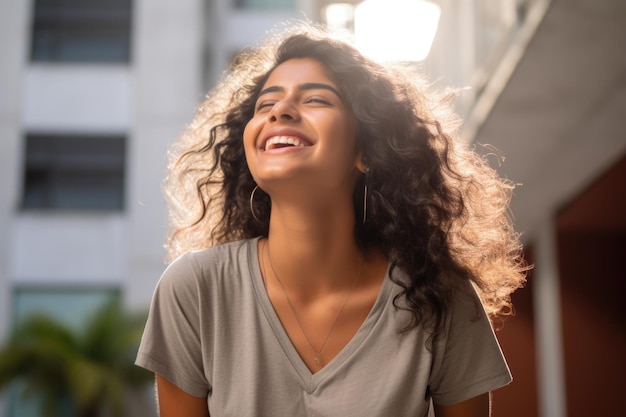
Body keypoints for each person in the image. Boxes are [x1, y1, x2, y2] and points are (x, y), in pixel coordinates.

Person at [135, 21, 528, 417]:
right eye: (265, 105)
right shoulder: (194, 290)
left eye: (316, 100)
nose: (280, 111)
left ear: (368, 151)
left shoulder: (440, 296)